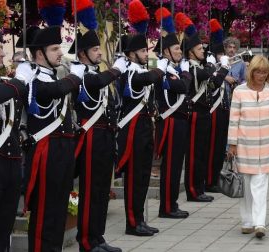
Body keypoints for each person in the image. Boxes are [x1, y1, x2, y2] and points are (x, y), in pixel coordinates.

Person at [18, 26, 87, 251]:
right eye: (55, 48)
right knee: (45, 211)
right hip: (46, 151)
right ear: (40, 54)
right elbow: (52, 91)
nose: (60, 53)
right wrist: (76, 76)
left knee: (58, 209)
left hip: (63, 150)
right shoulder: (34, 78)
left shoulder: (53, 74)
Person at [70, 29, 127, 252]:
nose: (99, 53)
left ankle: (97, 236)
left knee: (103, 189)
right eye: (95, 49)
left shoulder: (93, 71)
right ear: (83, 53)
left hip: (104, 136)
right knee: (90, 190)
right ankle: (85, 240)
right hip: (90, 137)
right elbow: (97, 83)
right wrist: (116, 69)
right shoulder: (78, 73)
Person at [116, 2, 164, 235]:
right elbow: (152, 77)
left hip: (145, 125)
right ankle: (132, 223)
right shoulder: (130, 72)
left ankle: (140, 219)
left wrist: (153, 59)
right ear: (131, 54)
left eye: (147, 51)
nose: (147, 54)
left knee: (144, 174)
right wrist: (158, 62)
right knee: (134, 177)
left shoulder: (140, 69)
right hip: (133, 128)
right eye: (143, 51)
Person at [228, 55, 269, 239]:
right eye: (257, 72)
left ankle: (260, 223)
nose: (261, 75)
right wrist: (232, 144)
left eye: (264, 72)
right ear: (250, 72)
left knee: (260, 185)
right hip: (244, 145)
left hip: (266, 146)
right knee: (245, 185)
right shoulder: (239, 91)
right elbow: (234, 119)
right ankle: (247, 221)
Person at [177, 14, 229, 202]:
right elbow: (207, 74)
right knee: (193, 155)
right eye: (199, 48)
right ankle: (192, 190)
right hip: (195, 115)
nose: (203, 51)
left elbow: (214, 84)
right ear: (190, 51)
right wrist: (220, 66)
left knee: (202, 153)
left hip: (205, 114)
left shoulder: (200, 66)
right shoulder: (189, 67)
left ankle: (199, 188)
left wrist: (221, 69)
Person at [154, 7, 192, 219]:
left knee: (177, 164)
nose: (180, 52)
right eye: (176, 49)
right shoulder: (165, 71)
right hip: (170, 123)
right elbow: (184, 87)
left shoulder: (174, 70)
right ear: (167, 52)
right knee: (169, 166)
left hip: (180, 122)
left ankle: (172, 203)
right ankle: (166, 207)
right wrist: (185, 71)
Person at [0, 25, 30, 252]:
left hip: (11, 159)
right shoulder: (8, 85)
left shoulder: (4, 80)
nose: (2, 53)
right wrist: (21, 80)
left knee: (6, 220)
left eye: (2, 48)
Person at [205, 19, 229, 192]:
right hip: (212, 110)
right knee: (212, 148)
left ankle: (215, 178)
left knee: (220, 148)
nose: (223, 56)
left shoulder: (218, 65)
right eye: (220, 54)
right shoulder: (210, 67)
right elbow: (213, 84)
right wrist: (223, 69)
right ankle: (209, 180)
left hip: (222, 110)